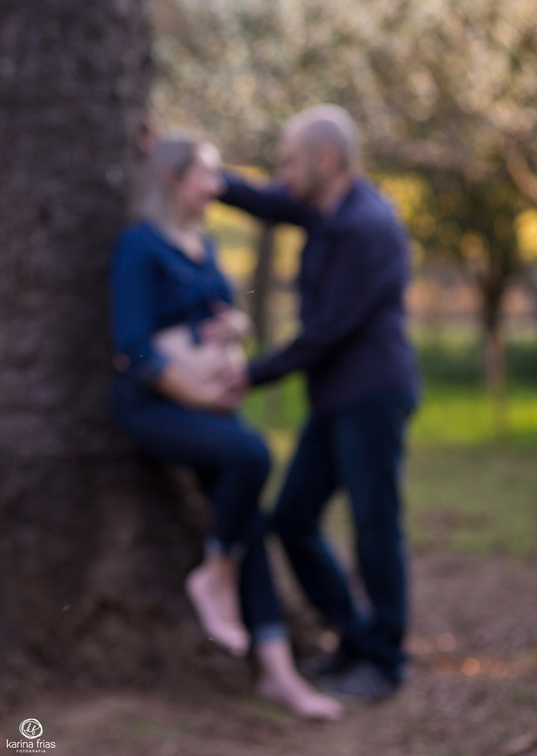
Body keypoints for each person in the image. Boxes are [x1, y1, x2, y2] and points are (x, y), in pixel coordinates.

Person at [110, 131, 343, 720]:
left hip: (207, 406)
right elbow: (132, 349)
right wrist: (202, 393)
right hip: (157, 409)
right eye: (206, 176)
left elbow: (214, 313)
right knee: (253, 456)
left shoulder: (201, 243)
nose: (218, 187)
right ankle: (213, 576)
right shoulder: (140, 247)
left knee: (250, 530)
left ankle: (279, 674)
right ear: (171, 179)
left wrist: (235, 328)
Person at [219, 105, 420, 701]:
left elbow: (328, 330)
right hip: (336, 398)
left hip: (372, 396)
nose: (282, 175)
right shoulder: (324, 209)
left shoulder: (367, 226)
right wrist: (211, 179)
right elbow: (272, 202)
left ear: (325, 161)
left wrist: (249, 375)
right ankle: (354, 638)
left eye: (289, 161)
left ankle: (384, 661)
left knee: (373, 522)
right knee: (293, 520)